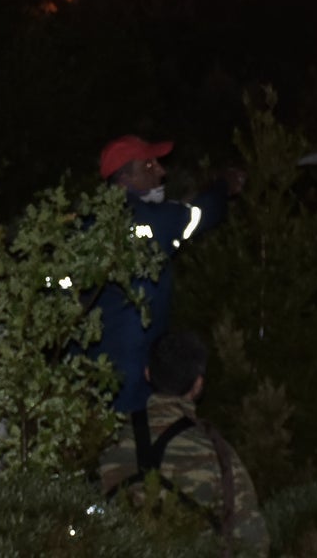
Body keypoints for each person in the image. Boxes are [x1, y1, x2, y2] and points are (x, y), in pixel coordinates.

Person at [93, 134, 242, 413]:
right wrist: (224, 186)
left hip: (85, 376)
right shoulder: (153, 220)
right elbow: (199, 214)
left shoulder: (87, 223)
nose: (162, 171)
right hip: (133, 378)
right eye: (149, 166)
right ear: (125, 178)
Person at [99, 329, 269, 554]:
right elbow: (252, 542)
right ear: (198, 385)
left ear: (148, 374)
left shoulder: (110, 441)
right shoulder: (217, 454)